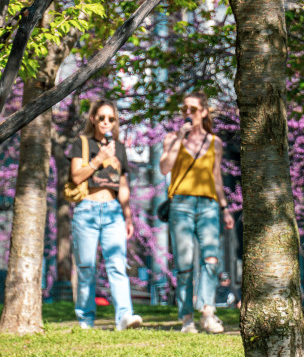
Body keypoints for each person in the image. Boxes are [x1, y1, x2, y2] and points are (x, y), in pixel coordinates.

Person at [160, 91, 235, 333]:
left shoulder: (215, 143)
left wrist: (225, 209)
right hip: (180, 203)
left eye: (193, 109)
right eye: (184, 109)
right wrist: (178, 140)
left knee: (211, 258)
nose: (188, 113)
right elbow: (164, 168)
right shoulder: (172, 138)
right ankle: (186, 318)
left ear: (203, 112)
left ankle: (208, 311)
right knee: (184, 264)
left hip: (208, 205)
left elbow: (216, 178)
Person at [69, 99, 142, 331]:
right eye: (101, 118)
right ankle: (85, 320)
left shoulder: (119, 148)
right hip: (87, 209)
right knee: (87, 267)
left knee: (117, 264)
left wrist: (128, 216)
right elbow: (76, 177)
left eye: (111, 118)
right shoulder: (82, 143)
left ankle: (124, 316)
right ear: (93, 119)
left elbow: (123, 185)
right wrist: (98, 159)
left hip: (113, 212)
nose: (106, 122)